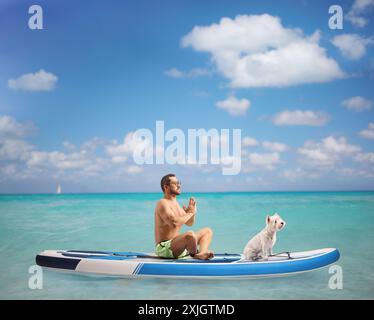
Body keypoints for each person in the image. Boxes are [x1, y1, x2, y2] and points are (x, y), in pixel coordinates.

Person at [154, 173, 214, 260]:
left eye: (179, 183)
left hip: (178, 246)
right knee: (190, 235)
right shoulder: (162, 203)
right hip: (165, 249)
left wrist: (191, 213)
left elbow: (189, 223)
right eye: (175, 183)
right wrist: (190, 213)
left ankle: (201, 253)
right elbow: (174, 223)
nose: (179, 186)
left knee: (207, 231)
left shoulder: (176, 204)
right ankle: (195, 255)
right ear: (166, 187)